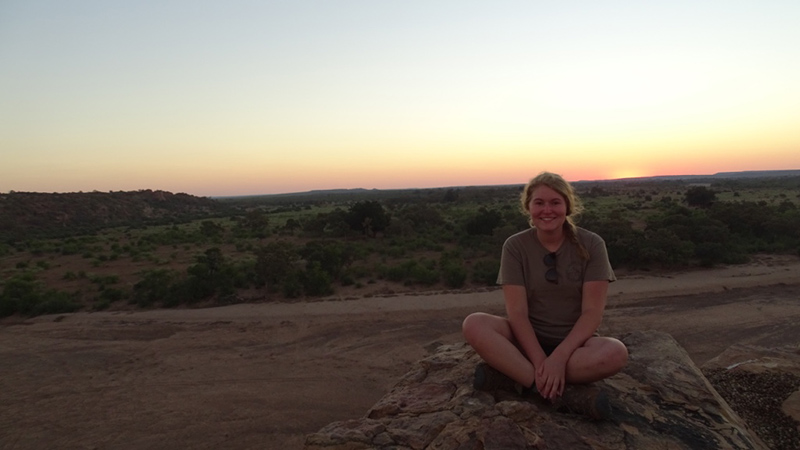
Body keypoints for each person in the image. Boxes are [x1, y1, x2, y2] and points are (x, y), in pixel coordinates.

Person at [462, 171, 628, 404]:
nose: (547, 210)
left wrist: (559, 358)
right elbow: (517, 313)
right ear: (528, 208)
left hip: (575, 347)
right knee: (474, 323)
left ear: (567, 206)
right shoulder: (515, 246)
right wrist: (541, 361)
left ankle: (520, 379)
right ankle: (557, 392)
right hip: (525, 341)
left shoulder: (592, 244)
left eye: (555, 202)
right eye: (539, 203)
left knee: (615, 353)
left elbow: (592, 313)